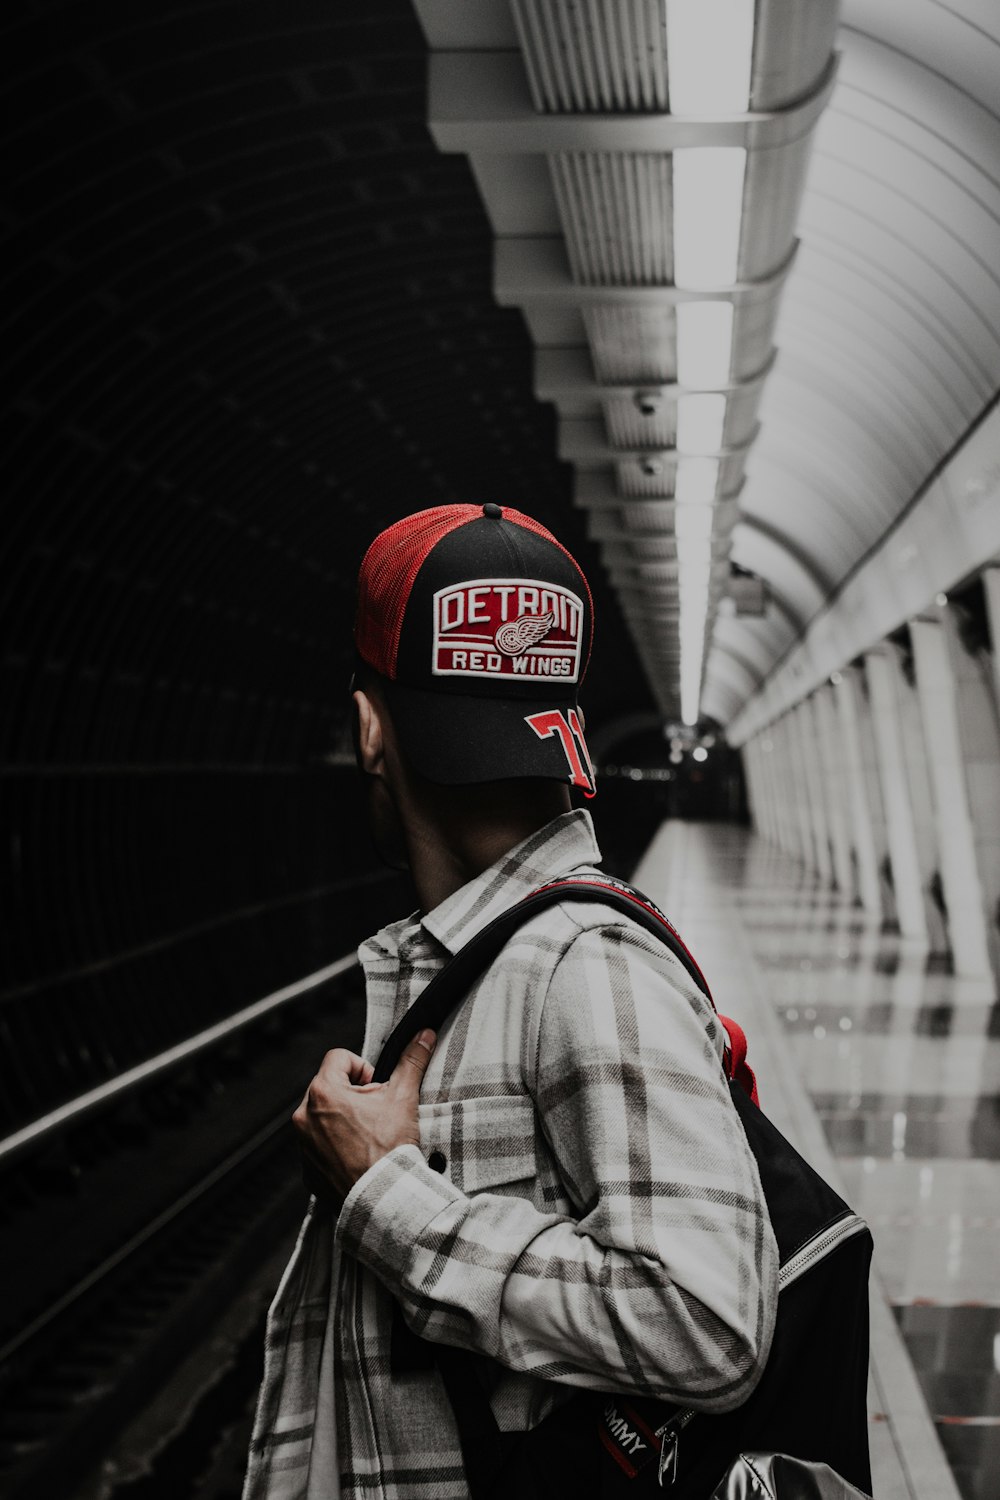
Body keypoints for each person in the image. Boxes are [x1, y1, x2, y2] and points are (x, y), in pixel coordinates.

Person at [243, 503, 777, 1500]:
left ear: (369, 728)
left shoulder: (584, 962)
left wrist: (389, 1198)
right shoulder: (473, 961)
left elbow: (709, 1323)